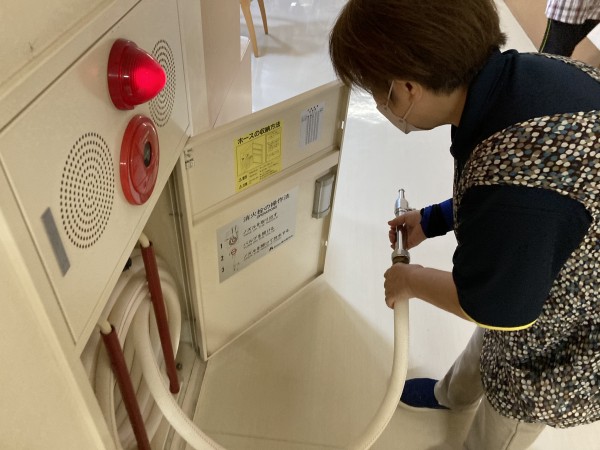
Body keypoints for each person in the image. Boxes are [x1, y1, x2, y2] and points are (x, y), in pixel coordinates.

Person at [329, 0, 600, 449]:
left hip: (567, 333)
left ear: (406, 89)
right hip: (542, 260)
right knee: (490, 342)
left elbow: (497, 308)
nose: (379, 104)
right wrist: (432, 219)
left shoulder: (515, 190)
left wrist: (410, 279)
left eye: (378, 92)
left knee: (506, 411)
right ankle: (452, 395)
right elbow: (500, 195)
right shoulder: (520, 79)